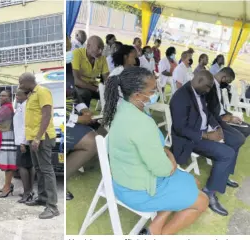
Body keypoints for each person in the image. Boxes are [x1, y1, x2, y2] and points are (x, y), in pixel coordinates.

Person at [103, 67, 208, 235]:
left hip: (129, 178)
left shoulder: (126, 108)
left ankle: (155, 225)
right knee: (203, 201)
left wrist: (166, 153)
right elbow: (164, 169)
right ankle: (157, 234)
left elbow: (154, 146)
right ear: (137, 95)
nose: (156, 92)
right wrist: (172, 158)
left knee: (194, 183)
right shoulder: (140, 122)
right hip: (139, 190)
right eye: (152, 90)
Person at [170, 70, 239, 216]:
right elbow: (180, 128)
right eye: (208, 87)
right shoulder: (180, 97)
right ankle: (209, 193)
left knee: (234, 141)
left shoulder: (199, 92)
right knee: (227, 154)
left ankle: (222, 176)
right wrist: (206, 135)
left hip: (204, 132)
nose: (209, 90)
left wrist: (217, 127)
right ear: (199, 81)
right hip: (190, 139)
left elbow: (206, 113)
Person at [19, 72, 59, 219]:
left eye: (21, 83)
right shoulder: (31, 95)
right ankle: (42, 198)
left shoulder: (42, 91)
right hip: (33, 139)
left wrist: (37, 138)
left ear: (28, 81)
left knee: (47, 170)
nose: (20, 86)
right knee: (39, 169)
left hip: (42, 138)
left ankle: (52, 206)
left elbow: (46, 115)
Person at [65, 49, 97, 201]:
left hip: (70, 117)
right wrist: (77, 120)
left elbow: (74, 94)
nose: (69, 51)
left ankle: (83, 161)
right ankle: (64, 177)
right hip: (59, 124)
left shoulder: (67, 67)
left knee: (102, 130)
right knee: (92, 142)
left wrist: (83, 109)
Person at [206, 67, 250, 137]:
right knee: (241, 135)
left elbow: (220, 107)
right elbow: (210, 111)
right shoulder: (210, 88)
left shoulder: (218, 87)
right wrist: (227, 118)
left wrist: (231, 115)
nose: (227, 85)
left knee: (248, 128)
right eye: (228, 82)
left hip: (223, 115)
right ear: (223, 77)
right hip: (218, 119)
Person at [0, 90, 17, 198]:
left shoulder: (7, 108)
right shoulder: (4, 107)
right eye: (1, 95)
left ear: (9, 97)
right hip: (3, 136)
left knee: (8, 162)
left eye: (4, 96)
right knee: (5, 162)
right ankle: (7, 184)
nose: (2, 97)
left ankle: (7, 187)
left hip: (7, 137)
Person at [72, 35, 109, 108]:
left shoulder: (102, 58)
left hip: (93, 85)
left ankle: (108, 115)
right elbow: (76, 80)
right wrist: (97, 89)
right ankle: (83, 116)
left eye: (102, 49)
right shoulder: (77, 54)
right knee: (85, 93)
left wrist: (109, 88)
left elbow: (107, 77)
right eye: (98, 48)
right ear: (88, 46)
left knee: (110, 94)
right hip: (78, 86)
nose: (101, 51)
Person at [13, 89, 35, 203]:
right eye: (16, 94)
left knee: (22, 167)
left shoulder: (26, 106)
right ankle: (29, 191)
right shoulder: (22, 105)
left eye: (19, 94)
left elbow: (26, 124)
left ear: (26, 95)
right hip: (23, 140)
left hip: (23, 141)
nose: (16, 96)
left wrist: (23, 142)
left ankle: (27, 193)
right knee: (29, 166)